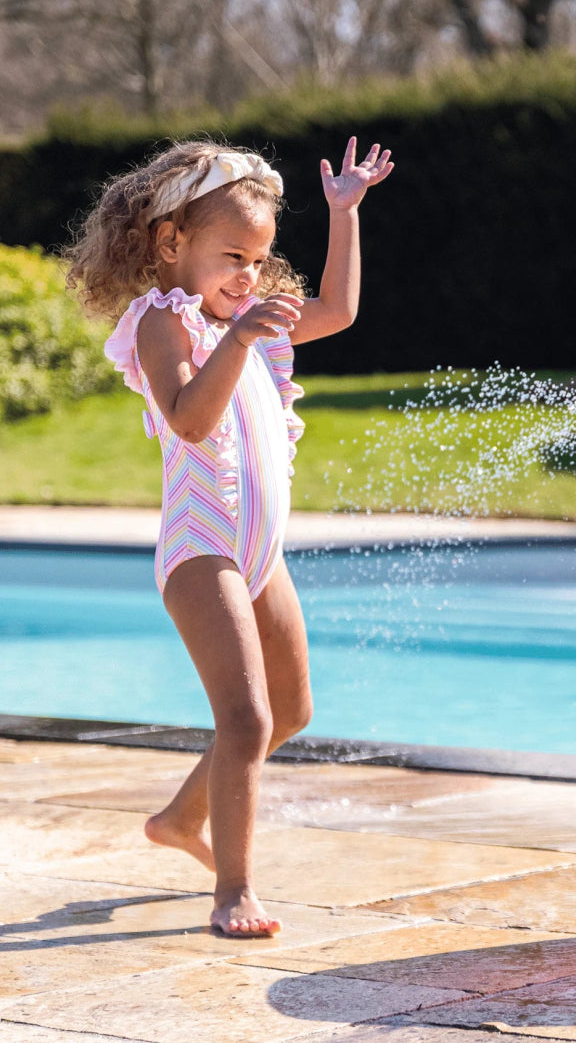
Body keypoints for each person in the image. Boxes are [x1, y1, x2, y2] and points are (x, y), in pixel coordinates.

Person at [66, 137, 392, 936]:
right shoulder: (161, 322)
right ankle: (233, 891)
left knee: (292, 712)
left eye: (260, 258)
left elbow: (341, 312)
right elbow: (186, 419)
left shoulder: (254, 321)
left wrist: (343, 216)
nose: (248, 274)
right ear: (173, 242)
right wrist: (240, 337)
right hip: (201, 552)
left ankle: (179, 819)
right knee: (244, 720)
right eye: (232, 255)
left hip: (260, 554)